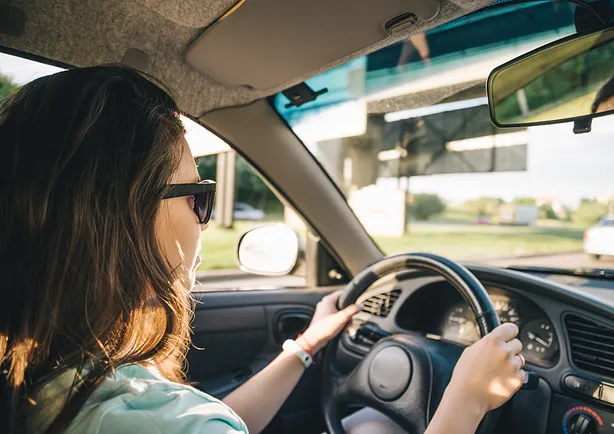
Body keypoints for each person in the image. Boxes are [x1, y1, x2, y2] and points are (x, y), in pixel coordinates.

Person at [0, 65, 525, 434]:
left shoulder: (57, 376)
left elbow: (223, 423)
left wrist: (305, 346)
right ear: (121, 220)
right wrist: (466, 401)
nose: (203, 220)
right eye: (197, 196)